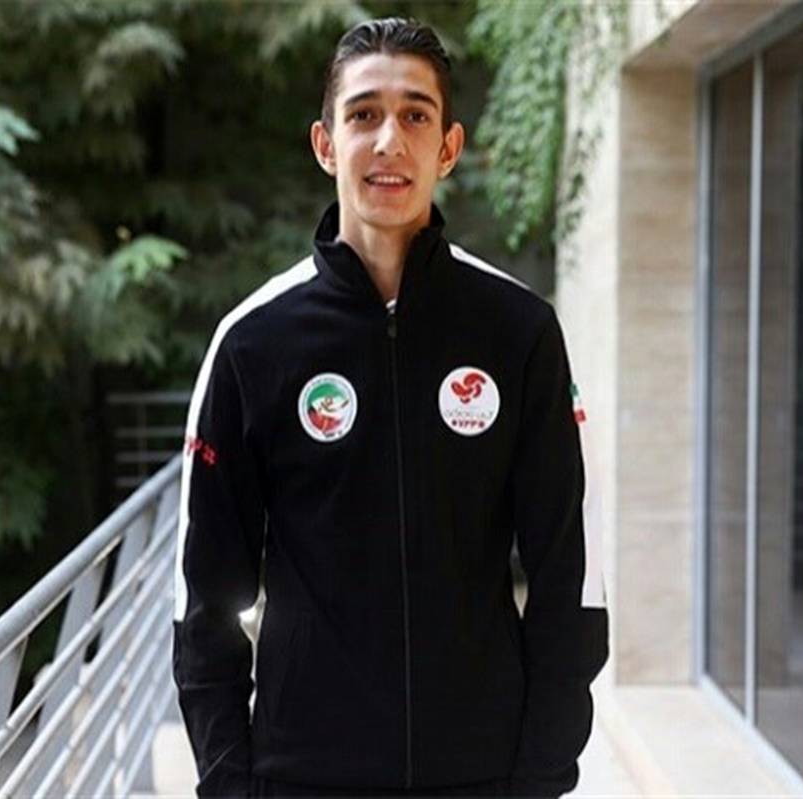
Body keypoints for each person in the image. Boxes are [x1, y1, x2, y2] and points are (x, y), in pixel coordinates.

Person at [173, 16, 609, 799]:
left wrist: (541, 775)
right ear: (325, 144)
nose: (388, 141)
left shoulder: (518, 331)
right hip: (302, 775)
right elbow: (204, 596)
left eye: (415, 115)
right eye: (363, 114)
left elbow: (568, 574)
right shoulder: (252, 344)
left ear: (448, 147)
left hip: (481, 774)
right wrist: (230, 782)